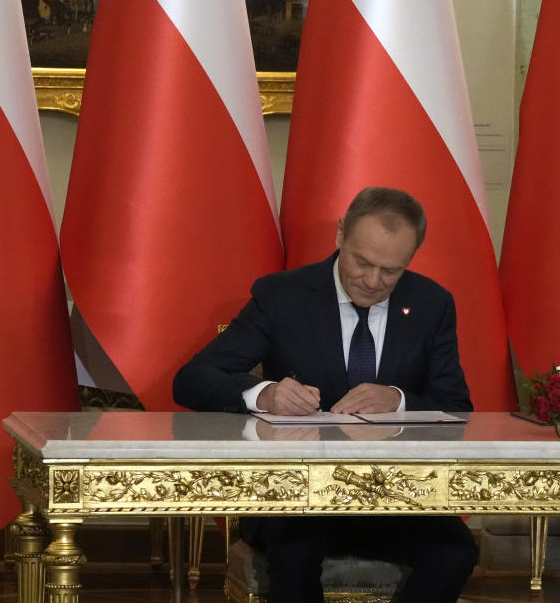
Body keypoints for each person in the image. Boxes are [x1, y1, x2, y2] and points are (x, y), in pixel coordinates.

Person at [173, 186, 477, 603]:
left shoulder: (432, 303)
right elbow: (192, 378)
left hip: (392, 496)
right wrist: (265, 394)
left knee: (455, 550)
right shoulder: (283, 295)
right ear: (340, 235)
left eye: (391, 271)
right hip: (296, 495)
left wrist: (398, 399)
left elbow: (457, 406)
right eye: (362, 262)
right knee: (295, 551)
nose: (373, 281)